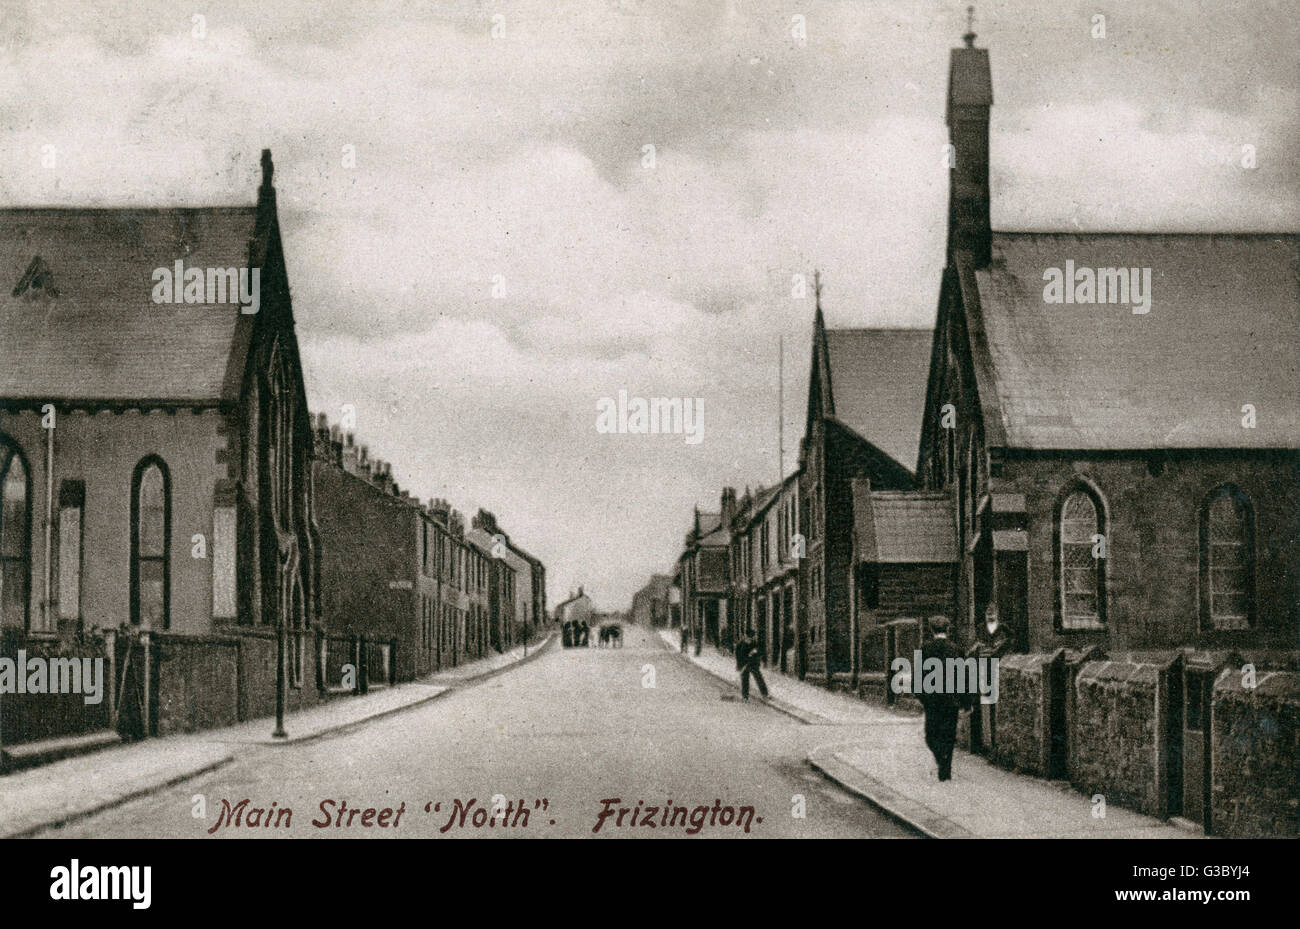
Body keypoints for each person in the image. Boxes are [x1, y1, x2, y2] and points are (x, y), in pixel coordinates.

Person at [920, 615, 963, 781]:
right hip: (951, 701)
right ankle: (946, 769)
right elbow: (963, 678)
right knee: (949, 736)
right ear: (947, 629)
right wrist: (966, 701)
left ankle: (941, 760)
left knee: (931, 735)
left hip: (932, 702)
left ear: (931, 630)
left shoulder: (925, 649)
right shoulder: (956, 650)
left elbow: (919, 677)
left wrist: (923, 698)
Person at [735, 631, 768, 701]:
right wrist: (739, 665)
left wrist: (756, 652)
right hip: (744, 664)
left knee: (759, 678)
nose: (749, 640)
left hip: (753, 664)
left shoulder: (754, 643)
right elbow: (738, 656)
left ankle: (765, 694)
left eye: (751, 638)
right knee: (745, 680)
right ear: (745, 637)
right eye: (748, 638)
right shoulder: (740, 644)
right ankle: (745, 696)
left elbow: (760, 652)